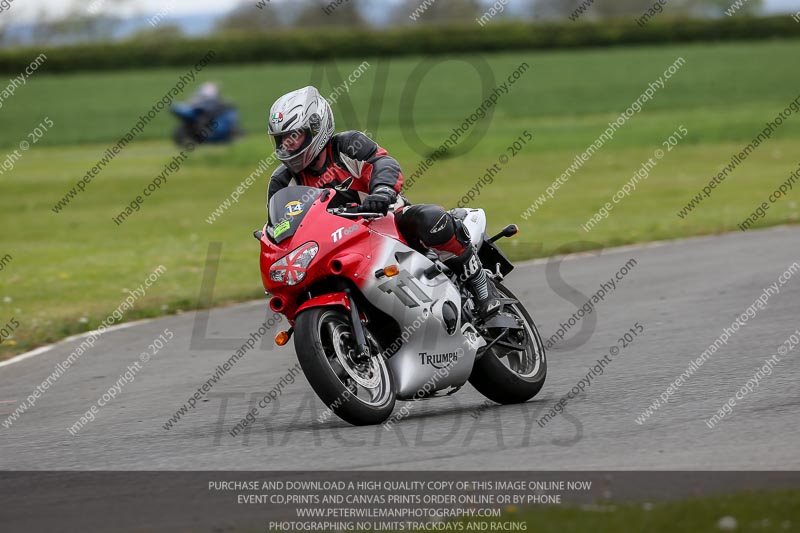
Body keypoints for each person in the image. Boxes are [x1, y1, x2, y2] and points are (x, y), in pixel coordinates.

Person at [266, 86, 501, 320]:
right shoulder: (282, 182)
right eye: (282, 140)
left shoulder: (348, 145)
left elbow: (383, 162)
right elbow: (280, 228)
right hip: (335, 247)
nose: (287, 147)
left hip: (384, 222)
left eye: (294, 137)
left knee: (430, 219)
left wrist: (382, 191)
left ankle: (481, 287)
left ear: (316, 128)